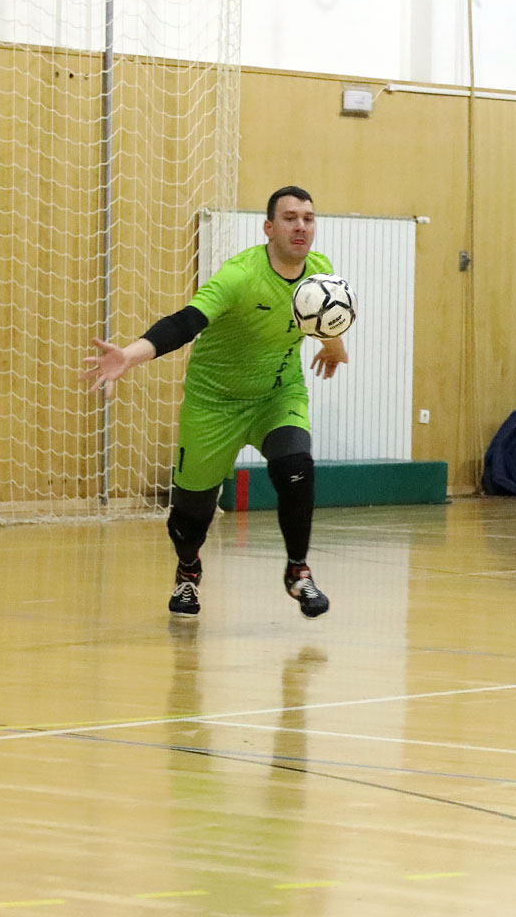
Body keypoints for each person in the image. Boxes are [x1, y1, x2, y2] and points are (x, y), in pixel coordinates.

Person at [80, 185, 347, 618]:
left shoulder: (320, 272)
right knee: (190, 517)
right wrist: (129, 355)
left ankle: (298, 571)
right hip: (213, 404)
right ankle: (188, 570)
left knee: (296, 468)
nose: (301, 226)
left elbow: (325, 316)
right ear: (269, 228)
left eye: (308, 218)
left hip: (277, 395)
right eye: (290, 218)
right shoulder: (240, 276)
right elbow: (186, 322)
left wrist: (334, 346)